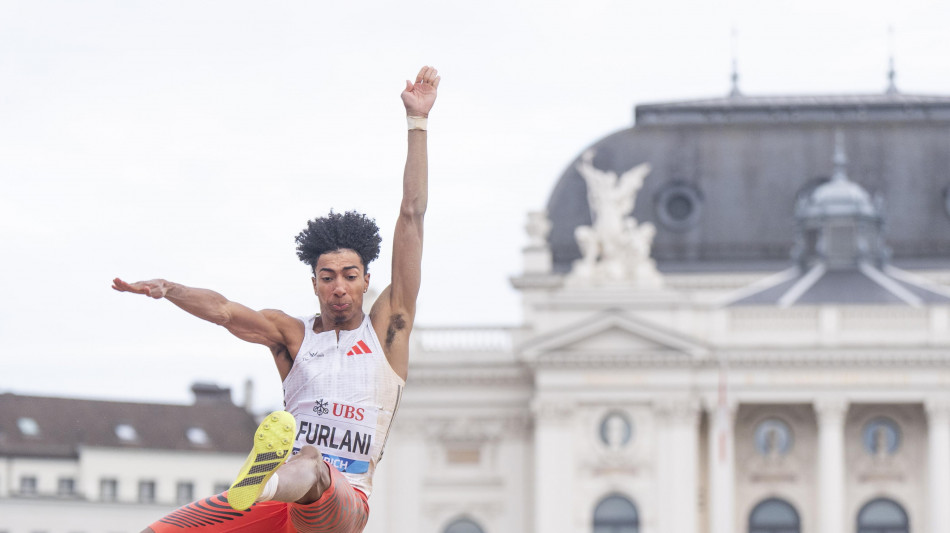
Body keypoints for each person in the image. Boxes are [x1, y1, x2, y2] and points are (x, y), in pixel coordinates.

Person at [112, 65, 440, 533]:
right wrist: (171, 290)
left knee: (312, 463)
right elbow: (226, 312)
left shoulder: (388, 329)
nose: (338, 287)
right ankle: (263, 486)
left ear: (367, 280)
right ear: (314, 283)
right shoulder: (292, 335)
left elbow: (412, 216)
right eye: (327, 277)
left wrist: (418, 125)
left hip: (342, 504)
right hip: (277, 505)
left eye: (349, 276)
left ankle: (261, 483)